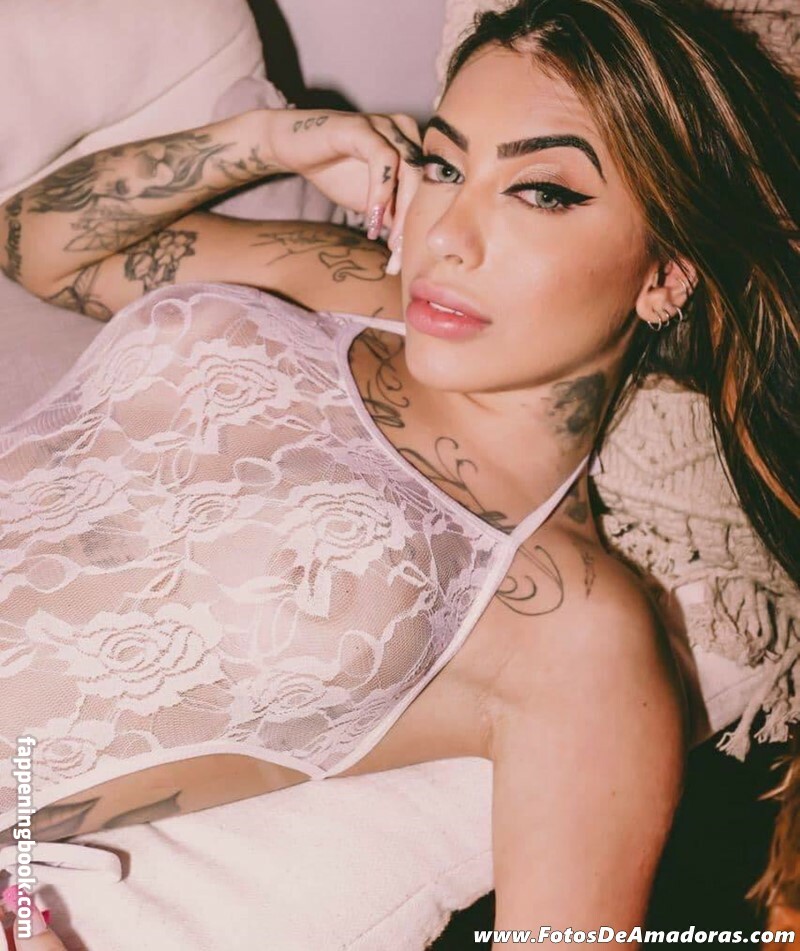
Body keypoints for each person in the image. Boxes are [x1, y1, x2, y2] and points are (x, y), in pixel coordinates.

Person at [0, 0, 797, 943]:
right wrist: (269, 140)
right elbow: (31, 242)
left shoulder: (576, 639)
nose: (446, 234)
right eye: (445, 165)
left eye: (542, 191)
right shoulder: (343, 280)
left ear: (666, 274)